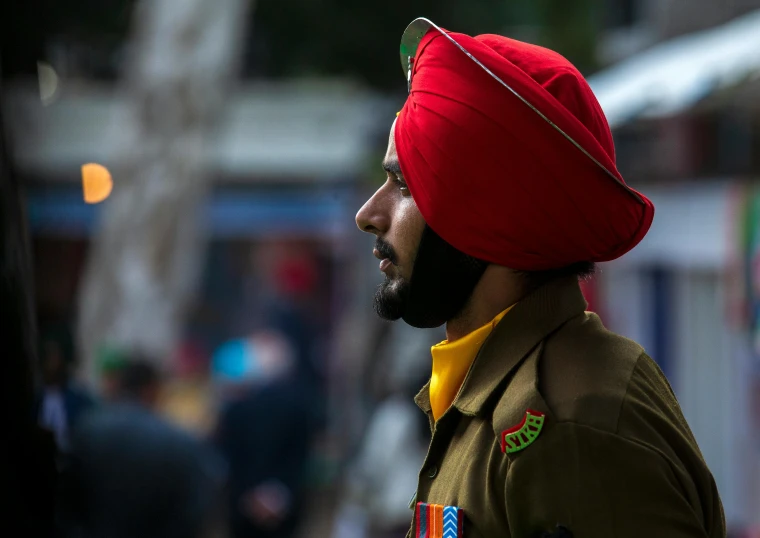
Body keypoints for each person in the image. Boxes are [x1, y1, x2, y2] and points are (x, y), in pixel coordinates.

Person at [354, 18, 725, 538]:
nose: (368, 214)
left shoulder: (574, 422)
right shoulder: (494, 397)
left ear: (485, 217)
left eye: (404, 185)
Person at [62, 358, 225, 538]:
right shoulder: (174, 439)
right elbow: (200, 499)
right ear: (152, 389)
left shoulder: (86, 428)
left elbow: (68, 498)